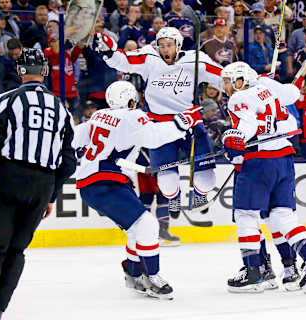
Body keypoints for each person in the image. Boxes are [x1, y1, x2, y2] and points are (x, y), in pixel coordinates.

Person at [0, 48, 76, 320]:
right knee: (15, 251)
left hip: (8, 177)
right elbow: (69, 160)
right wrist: (51, 195)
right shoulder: (61, 108)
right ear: (46, 73)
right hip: (41, 186)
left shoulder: (7, 99)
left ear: (19, 71)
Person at [74, 80, 203, 299]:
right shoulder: (132, 116)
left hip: (93, 182)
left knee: (136, 228)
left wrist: (81, 154)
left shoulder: (98, 116)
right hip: (106, 182)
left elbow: (75, 139)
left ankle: (133, 273)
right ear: (132, 100)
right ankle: (151, 275)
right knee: (148, 225)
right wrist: (183, 122)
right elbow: (154, 136)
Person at [221, 62, 306, 294]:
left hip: (259, 160)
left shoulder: (238, 98)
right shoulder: (267, 89)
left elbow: (247, 124)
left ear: (241, 81)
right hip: (283, 158)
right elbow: (290, 106)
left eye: (229, 81)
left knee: (245, 215)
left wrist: (235, 136)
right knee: (282, 215)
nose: (226, 86)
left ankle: (254, 272)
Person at [93, 27, 223, 217]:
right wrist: (110, 53)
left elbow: (223, 76)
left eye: (169, 45)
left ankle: (200, 194)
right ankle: (174, 197)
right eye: (161, 45)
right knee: (166, 182)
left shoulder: (196, 60)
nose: (164, 49)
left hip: (190, 124)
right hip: (158, 126)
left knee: (206, 178)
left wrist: (250, 82)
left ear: (178, 46)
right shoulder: (149, 57)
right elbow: (125, 61)